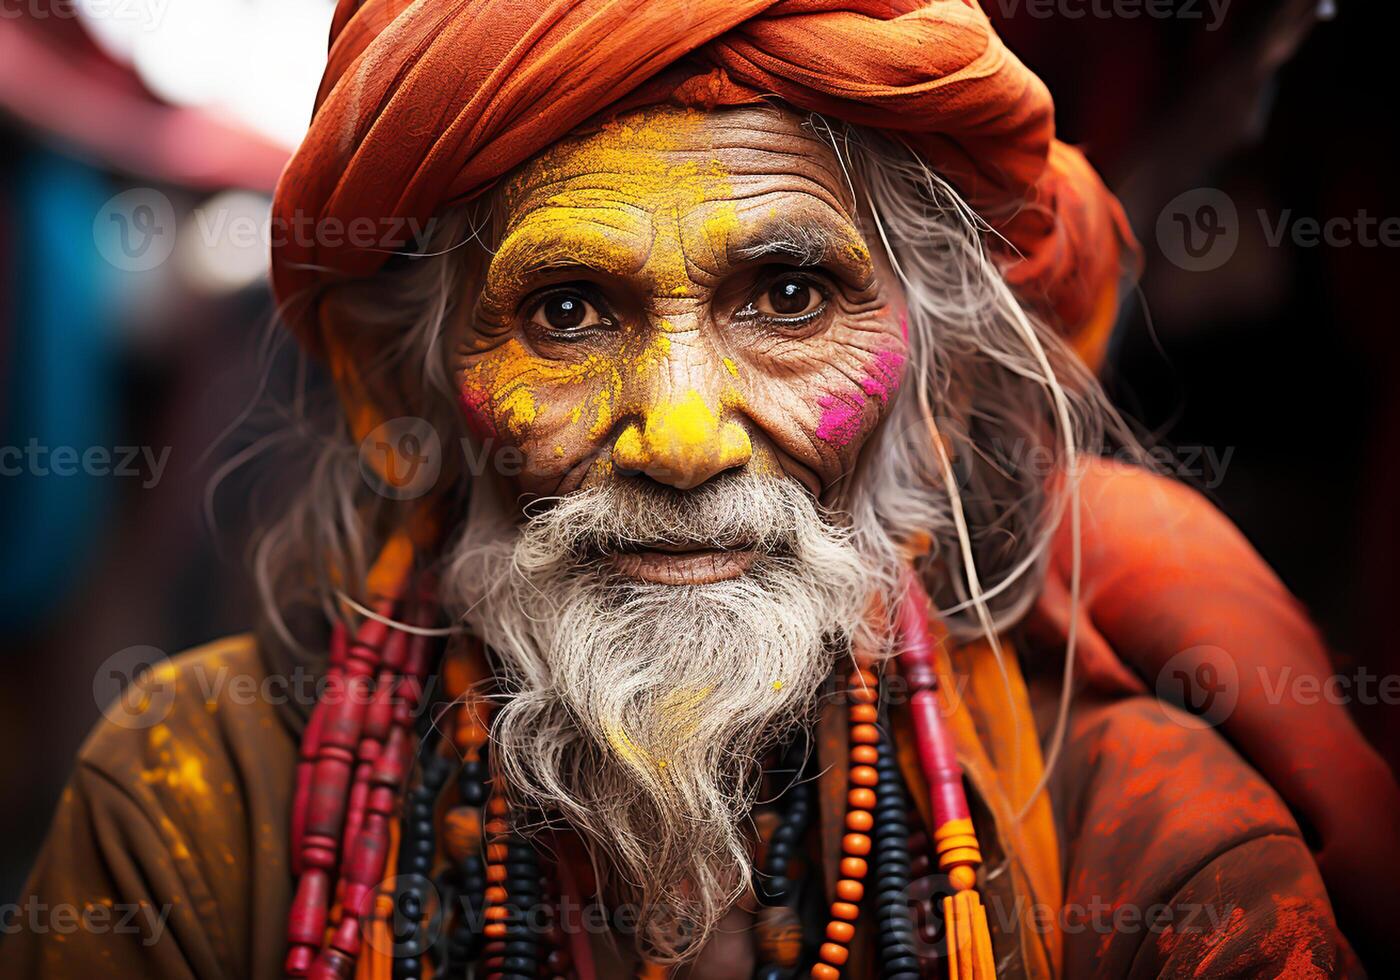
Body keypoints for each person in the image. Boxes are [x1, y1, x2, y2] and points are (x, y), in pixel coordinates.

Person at [10, 2, 1397, 978]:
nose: (681, 439)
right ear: (411, 401)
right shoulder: (191, 809)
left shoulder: (1138, 841)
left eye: (790, 294)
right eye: (564, 311)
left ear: (938, 378)